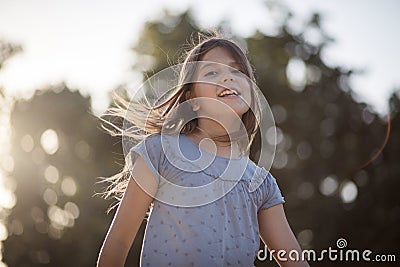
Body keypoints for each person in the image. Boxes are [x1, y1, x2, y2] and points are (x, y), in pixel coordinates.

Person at [97, 35, 309, 267]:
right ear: (192, 99)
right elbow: (117, 243)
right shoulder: (160, 152)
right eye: (211, 73)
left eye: (237, 71)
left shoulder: (261, 183)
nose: (228, 77)